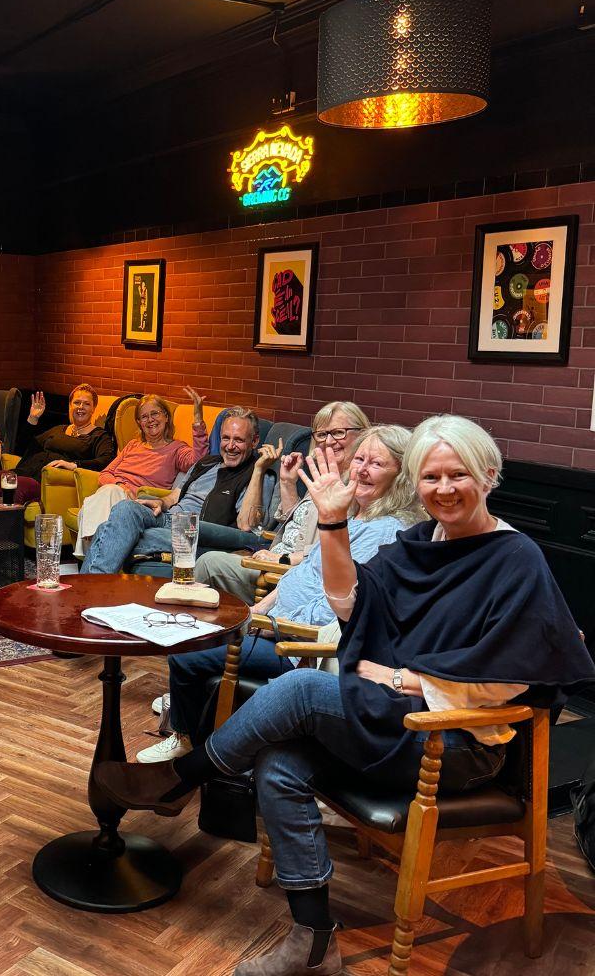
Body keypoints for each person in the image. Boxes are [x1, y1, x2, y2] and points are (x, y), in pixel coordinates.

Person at [95, 415, 595, 976]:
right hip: (392, 725)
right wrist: (332, 523)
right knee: (279, 763)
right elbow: (348, 604)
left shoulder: (515, 557)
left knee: (307, 688)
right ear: (418, 483)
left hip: (456, 745)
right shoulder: (418, 545)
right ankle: (314, 942)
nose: (445, 489)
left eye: (459, 475)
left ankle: (182, 778)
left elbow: (519, 674)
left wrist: (410, 680)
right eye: (432, 477)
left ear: (490, 475)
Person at [142, 423, 423, 763]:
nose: (361, 469)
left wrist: (267, 623)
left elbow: (340, 606)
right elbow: (303, 574)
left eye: (376, 464)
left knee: (189, 651)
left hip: (296, 645)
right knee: (197, 628)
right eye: (359, 458)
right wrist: (255, 609)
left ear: (401, 475)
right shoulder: (351, 517)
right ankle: (194, 722)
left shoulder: (386, 530)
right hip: (273, 624)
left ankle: (189, 743)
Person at [195, 401, 370, 604]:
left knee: (208, 562)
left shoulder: (357, 487)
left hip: (288, 573)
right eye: (322, 434)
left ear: (362, 434)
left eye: (338, 432)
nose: (329, 441)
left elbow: (335, 547)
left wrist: (283, 559)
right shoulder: (324, 476)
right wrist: (288, 483)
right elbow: (296, 524)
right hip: (272, 558)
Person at [80, 408, 275, 574]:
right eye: (226, 438)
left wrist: (259, 469)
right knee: (120, 517)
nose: (230, 446)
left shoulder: (259, 476)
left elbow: (247, 526)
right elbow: (176, 495)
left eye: (239, 440)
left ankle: (89, 589)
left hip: (198, 531)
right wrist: (161, 502)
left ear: (255, 441)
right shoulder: (206, 463)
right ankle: (90, 589)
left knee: (115, 524)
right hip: (169, 519)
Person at [73, 389, 209, 558]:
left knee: (101, 499)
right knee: (107, 492)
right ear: (139, 422)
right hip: (113, 494)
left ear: (166, 417)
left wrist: (198, 421)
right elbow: (105, 474)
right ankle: (99, 554)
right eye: (144, 417)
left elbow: (199, 462)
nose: (150, 420)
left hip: (139, 503)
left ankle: (93, 554)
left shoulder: (177, 449)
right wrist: (120, 486)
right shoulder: (132, 445)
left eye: (155, 414)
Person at [12, 384, 116, 504]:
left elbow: (106, 461)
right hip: (25, 472)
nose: (81, 407)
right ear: (70, 406)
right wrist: (33, 418)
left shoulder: (99, 436)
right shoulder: (58, 429)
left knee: (16, 487)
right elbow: (22, 446)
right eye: (77, 402)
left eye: (86, 404)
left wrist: (74, 465)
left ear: (93, 408)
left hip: (48, 483)